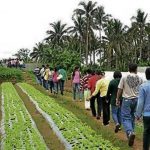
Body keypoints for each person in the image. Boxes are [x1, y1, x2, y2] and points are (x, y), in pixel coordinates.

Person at [116, 63, 143, 146]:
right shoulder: (140, 78)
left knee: (125, 117)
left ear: (128, 68)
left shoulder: (124, 77)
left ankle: (130, 132)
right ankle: (131, 133)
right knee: (132, 117)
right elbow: (141, 90)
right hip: (136, 100)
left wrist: (117, 99)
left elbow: (120, 89)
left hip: (127, 100)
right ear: (136, 69)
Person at [135, 67, 150, 150]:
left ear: (146, 75)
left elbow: (140, 102)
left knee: (147, 132)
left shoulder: (143, 86)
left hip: (147, 115)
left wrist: (138, 114)